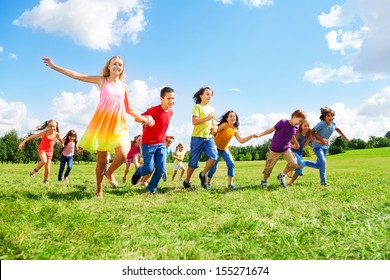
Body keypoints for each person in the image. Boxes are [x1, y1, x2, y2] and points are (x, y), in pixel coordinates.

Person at [43, 56, 154, 198]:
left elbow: (128, 108)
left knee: (123, 155)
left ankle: (109, 173)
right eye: (115, 64)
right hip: (103, 124)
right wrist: (54, 66)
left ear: (122, 68)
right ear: (109, 66)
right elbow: (78, 76)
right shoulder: (102, 80)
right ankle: (99, 189)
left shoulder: (124, 86)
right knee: (101, 161)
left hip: (119, 124)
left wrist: (144, 118)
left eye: (120, 65)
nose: (117, 67)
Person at [131, 87, 175, 194]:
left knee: (161, 169)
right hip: (148, 144)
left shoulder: (170, 112)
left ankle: (151, 189)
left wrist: (166, 136)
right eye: (168, 98)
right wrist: (146, 117)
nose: (171, 101)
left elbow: (160, 127)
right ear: (161, 99)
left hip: (161, 144)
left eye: (173, 98)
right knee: (148, 169)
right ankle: (139, 172)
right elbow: (137, 118)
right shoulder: (154, 110)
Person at [207, 110, 260, 190]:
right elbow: (215, 131)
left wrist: (251, 136)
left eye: (234, 116)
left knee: (231, 163)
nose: (233, 117)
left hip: (224, 149)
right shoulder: (224, 125)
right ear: (227, 119)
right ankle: (208, 183)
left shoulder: (234, 129)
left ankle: (230, 184)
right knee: (214, 167)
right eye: (231, 116)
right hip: (216, 148)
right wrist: (212, 124)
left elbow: (241, 140)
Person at [258, 109, 307, 189]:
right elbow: (272, 129)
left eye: (301, 122)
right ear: (294, 116)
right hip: (275, 149)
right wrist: (260, 134)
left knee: (293, 163)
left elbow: (292, 135)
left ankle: (281, 175)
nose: (300, 123)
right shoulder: (283, 122)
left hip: (286, 149)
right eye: (300, 120)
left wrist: (296, 143)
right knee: (269, 168)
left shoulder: (296, 127)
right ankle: (264, 181)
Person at [182, 87, 218, 189]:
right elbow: (194, 121)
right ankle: (187, 181)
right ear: (201, 95)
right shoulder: (197, 107)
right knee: (193, 163)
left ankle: (203, 174)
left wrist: (215, 126)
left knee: (214, 156)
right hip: (197, 138)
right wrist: (207, 118)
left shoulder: (212, 109)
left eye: (211, 95)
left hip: (209, 138)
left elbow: (213, 121)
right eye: (207, 94)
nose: (209, 96)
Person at [304, 107, 349, 185]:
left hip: (325, 146)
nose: (331, 117)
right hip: (317, 146)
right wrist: (321, 139)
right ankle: (323, 182)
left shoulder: (333, 124)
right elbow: (312, 132)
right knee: (323, 162)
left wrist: (344, 136)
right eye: (328, 116)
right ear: (324, 117)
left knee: (319, 165)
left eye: (332, 116)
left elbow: (337, 129)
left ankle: (303, 162)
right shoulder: (322, 124)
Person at [18, 120, 64, 184]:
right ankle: (34, 172)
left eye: (54, 126)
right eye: (50, 126)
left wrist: (62, 143)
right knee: (44, 161)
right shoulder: (45, 133)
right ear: (48, 126)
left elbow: (59, 139)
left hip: (50, 151)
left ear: (56, 126)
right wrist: (23, 141)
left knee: (47, 168)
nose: (52, 128)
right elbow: (33, 136)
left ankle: (46, 181)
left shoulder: (56, 134)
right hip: (42, 149)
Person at [286, 120, 319, 186]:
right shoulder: (297, 133)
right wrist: (293, 146)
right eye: (305, 126)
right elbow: (288, 140)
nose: (307, 127)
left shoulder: (308, 135)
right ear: (301, 126)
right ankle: (287, 170)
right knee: (301, 164)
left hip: (299, 153)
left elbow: (313, 140)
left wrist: (321, 141)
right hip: (293, 151)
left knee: (300, 168)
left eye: (308, 126)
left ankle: (290, 182)